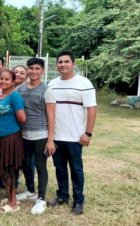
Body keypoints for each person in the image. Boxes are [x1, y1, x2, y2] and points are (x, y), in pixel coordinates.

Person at [47, 51, 97, 215]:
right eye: (60, 62)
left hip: (75, 137)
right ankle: (62, 196)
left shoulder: (84, 83)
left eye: (66, 62)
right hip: (57, 136)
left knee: (76, 169)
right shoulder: (52, 84)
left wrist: (88, 133)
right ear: (57, 65)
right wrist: (50, 136)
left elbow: (91, 109)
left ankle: (78, 201)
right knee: (59, 168)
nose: (63, 65)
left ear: (73, 64)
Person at [16, 58, 56, 215]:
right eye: (31, 68)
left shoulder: (47, 90)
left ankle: (41, 199)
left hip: (40, 134)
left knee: (40, 166)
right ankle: (30, 191)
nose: (33, 71)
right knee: (26, 164)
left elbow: (51, 117)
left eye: (37, 69)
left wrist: (51, 140)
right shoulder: (20, 89)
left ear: (42, 71)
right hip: (24, 134)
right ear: (27, 70)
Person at [0, 70, 26, 213]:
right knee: (3, 169)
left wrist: (10, 126)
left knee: (9, 169)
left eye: (7, 79)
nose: (4, 81)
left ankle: (12, 203)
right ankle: (12, 197)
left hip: (10, 138)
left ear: (13, 81)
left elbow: (22, 119)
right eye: (2, 79)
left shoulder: (15, 96)